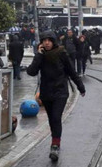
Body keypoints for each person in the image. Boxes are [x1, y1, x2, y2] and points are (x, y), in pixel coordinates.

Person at [26, 31, 85, 161]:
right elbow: (31, 72)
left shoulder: (61, 53)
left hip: (60, 92)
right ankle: (55, 139)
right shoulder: (41, 56)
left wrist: (80, 87)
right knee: (52, 119)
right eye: (44, 40)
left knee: (56, 117)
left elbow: (71, 71)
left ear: (53, 41)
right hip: (46, 93)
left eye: (49, 40)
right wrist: (39, 55)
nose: (47, 42)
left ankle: (55, 145)